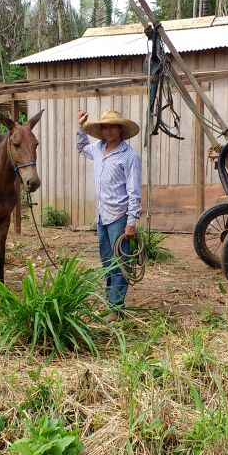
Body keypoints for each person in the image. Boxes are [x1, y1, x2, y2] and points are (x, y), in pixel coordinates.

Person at [76, 109, 143, 322]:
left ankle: (116, 309)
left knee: (120, 261)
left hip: (120, 216)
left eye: (112, 126)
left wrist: (131, 222)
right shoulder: (97, 149)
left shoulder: (130, 156)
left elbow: (134, 191)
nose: (108, 130)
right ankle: (110, 303)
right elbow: (81, 147)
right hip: (102, 215)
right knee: (107, 261)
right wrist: (80, 126)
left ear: (120, 129)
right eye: (104, 127)